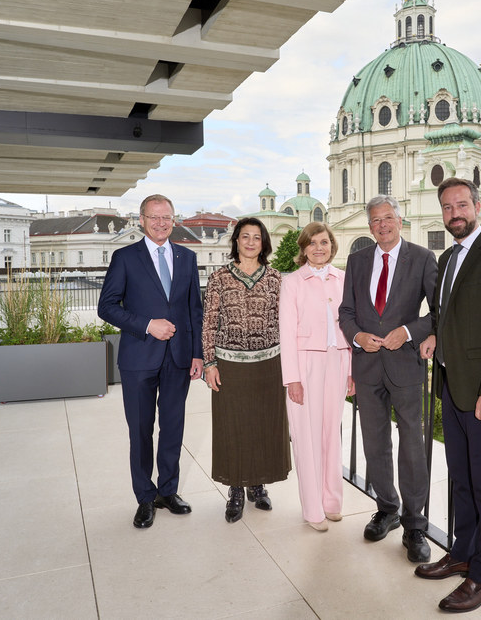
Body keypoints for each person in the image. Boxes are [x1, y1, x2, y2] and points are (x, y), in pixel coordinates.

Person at [415, 178, 481, 613]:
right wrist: (435, 338)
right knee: (462, 481)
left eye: (461, 204)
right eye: (447, 207)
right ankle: (462, 554)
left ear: (477, 207)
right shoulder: (446, 258)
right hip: (452, 390)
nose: (454, 213)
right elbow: (446, 313)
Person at [338, 196, 437, 560]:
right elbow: (346, 312)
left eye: (389, 218)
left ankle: (415, 526)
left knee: (412, 444)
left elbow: (439, 310)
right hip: (367, 366)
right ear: (370, 227)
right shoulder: (357, 260)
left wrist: (411, 332)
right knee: (373, 442)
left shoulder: (423, 258)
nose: (383, 225)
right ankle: (387, 509)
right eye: (376, 220)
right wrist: (357, 337)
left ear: (400, 220)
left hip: (405, 365)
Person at [98, 194, 203, 528]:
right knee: (141, 431)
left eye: (167, 217)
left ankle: (167, 492)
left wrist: (198, 352)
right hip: (139, 358)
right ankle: (145, 497)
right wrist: (147, 324)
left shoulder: (187, 257)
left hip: (179, 358)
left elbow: (194, 310)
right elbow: (107, 306)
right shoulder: (125, 257)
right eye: (154, 217)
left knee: (173, 428)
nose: (161, 223)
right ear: (141, 219)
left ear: (174, 220)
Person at [202, 218, 290, 523]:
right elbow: (210, 322)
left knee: (265, 426)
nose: (251, 242)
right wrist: (209, 363)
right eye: (245, 237)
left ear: (264, 243)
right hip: (230, 365)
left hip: (269, 364)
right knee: (234, 425)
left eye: (256, 237)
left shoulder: (277, 278)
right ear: (236, 241)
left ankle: (258, 484)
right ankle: (236, 489)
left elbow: (287, 325)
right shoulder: (218, 278)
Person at [279, 222, 354, 531]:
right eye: (312, 243)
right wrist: (292, 378)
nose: (319, 248)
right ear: (304, 248)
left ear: (332, 246)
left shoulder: (344, 279)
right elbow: (286, 331)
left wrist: (351, 371)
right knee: (307, 439)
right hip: (305, 364)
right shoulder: (293, 282)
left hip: (338, 360)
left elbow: (351, 326)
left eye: (324, 242)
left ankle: (332, 501)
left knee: (330, 435)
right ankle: (313, 510)